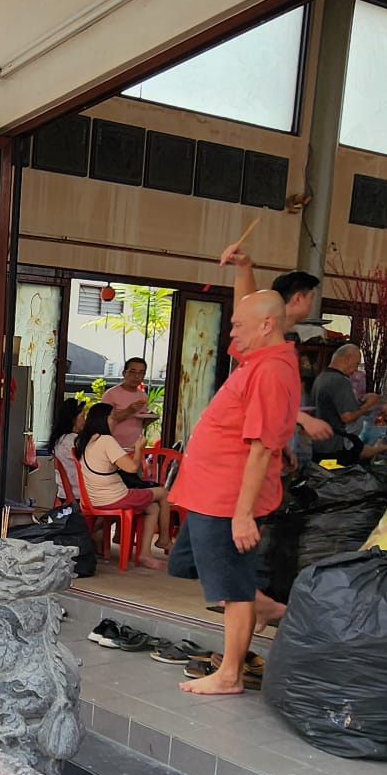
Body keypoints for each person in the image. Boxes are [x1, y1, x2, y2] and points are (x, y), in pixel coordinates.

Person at [166, 288, 301, 696]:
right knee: (183, 564)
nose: (231, 332)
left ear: (266, 325)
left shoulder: (272, 370)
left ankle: (230, 674)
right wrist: (243, 268)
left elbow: (261, 448)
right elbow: (254, 301)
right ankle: (263, 605)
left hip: (228, 496)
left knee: (233, 585)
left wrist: (243, 515)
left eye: (238, 325)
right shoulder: (258, 357)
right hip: (207, 490)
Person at [219, 236, 335, 445]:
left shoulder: (279, 337)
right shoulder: (266, 337)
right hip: (243, 439)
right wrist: (303, 419)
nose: (234, 332)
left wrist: (244, 267)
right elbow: (263, 397)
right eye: (311, 298)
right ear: (298, 298)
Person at [75, 403, 169, 570]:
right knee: (163, 492)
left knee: (153, 507)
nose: (115, 421)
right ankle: (163, 540)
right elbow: (132, 468)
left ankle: (145, 553)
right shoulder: (106, 440)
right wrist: (139, 449)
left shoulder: (88, 440)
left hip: (94, 498)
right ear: (103, 420)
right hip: (115, 497)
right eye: (112, 417)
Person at [312, 343, 381, 439]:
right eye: (357, 364)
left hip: (320, 439)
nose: (356, 369)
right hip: (336, 443)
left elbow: (333, 405)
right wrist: (368, 405)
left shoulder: (322, 377)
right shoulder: (340, 380)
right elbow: (347, 417)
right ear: (347, 359)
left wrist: (359, 401)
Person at [102, 359, 155, 452]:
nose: (137, 376)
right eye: (132, 372)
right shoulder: (111, 394)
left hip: (134, 448)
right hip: (113, 448)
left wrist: (149, 420)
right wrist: (129, 411)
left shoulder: (143, 396)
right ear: (124, 373)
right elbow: (103, 423)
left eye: (141, 373)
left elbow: (138, 424)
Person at [49, 397, 84, 502]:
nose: (85, 420)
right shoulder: (73, 441)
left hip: (64, 494)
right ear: (73, 418)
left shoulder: (60, 439)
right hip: (79, 495)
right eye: (83, 416)